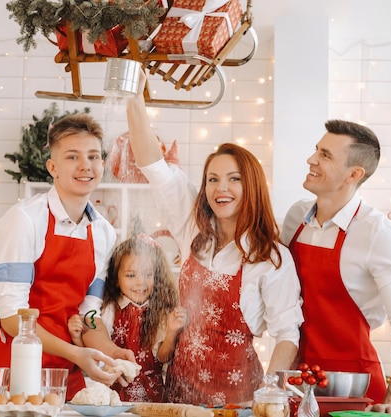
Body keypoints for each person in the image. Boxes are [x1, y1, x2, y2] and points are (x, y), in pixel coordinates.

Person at [125, 73, 304, 405]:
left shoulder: (270, 257)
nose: (221, 188)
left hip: (240, 401)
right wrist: (134, 98)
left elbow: (285, 335)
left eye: (234, 179)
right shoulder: (192, 230)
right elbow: (153, 165)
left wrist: (271, 394)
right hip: (178, 397)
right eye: (213, 179)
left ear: (251, 187)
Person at [280, 119, 391, 415]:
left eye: (325, 155)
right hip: (299, 385)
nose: (311, 160)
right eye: (316, 150)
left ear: (354, 174)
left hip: (355, 394)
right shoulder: (296, 217)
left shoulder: (378, 233)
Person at [0, 112, 135, 400]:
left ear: (102, 164)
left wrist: (109, 350)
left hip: (65, 372)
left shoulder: (104, 233)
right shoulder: (24, 221)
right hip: (14, 370)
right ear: (52, 166)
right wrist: (77, 353)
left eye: (93, 156)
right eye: (72, 157)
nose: (85, 166)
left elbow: (88, 313)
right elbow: (12, 319)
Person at [69, 234, 187, 402]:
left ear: (157, 276)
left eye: (148, 274)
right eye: (131, 275)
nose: (141, 282)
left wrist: (171, 332)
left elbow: (163, 357)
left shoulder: (161, 312)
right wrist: (77, 338)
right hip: (114, 394)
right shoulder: (109, 309)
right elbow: (95, 358)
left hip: (152, 396)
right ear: (116, 279)